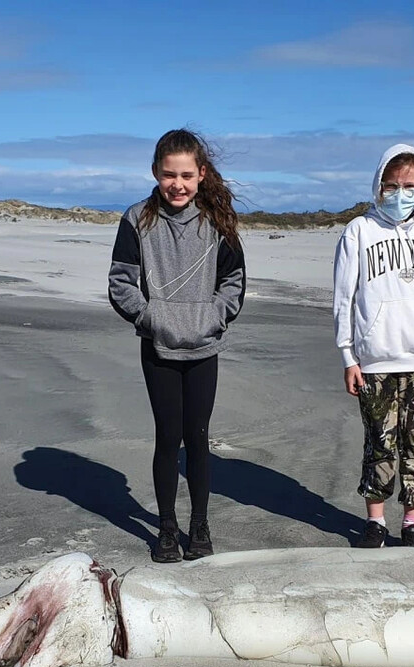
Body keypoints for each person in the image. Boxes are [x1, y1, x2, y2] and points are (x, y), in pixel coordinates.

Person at [109, 128, 246, 563]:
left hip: (204, 348)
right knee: (168, 438)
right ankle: (167, 529)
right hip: (159, 348)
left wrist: (212, 319)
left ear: (202, 174)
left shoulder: (217, 222)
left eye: (187, 175)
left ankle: (199, 525)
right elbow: (120, 284)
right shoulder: (137, 219)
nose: (178, 184)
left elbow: (235, 283)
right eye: (170, 175)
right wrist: (153, 319)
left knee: (198, 438)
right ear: (155, 172)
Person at [332, 143, 414, 549]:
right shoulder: (359, 231)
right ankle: (376, 521)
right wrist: (349, 356)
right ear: (379, 184)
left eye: (410, 186)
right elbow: (344, 298)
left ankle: (413, 522)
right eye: (393, 184)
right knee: (380, 442)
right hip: (375, 361)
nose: (401, 193)